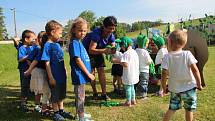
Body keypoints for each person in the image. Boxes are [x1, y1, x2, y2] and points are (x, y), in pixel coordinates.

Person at [161, 29, 203, 121]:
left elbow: (164, 73)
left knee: (172, 108)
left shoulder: (166, 57)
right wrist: (199, 84)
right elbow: (195, 70)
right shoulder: (187, 54)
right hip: (189, 88)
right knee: (189, 110)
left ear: (170, 42)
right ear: (184, 44)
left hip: (175, 89)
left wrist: (164, 88)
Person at [41, 20, 73, 121]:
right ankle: (56, 113)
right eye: (59, 33)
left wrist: (65, 70)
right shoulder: (47, 45)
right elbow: (47, 62)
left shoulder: (58, 45)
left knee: (61, 94)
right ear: (52, 32)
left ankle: (61, 110)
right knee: (55, 95)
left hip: (61, 75)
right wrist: (50, 77)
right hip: (54, 76)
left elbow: (61, 60)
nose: (61, 35)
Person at [82, 16, 117, 100]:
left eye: (113, 28)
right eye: (109, 29)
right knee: (92, 73)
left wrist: (112, 49)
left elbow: (113, 45)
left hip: (99, 51)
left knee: (101, 71)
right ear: (104, 26)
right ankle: (95, 93)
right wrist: (105, 50)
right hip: (88, 52)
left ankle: (104, 94)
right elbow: (91, 50)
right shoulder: (96, 33)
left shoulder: (111, 34)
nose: (111, 31)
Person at [68, 17, 95, 121]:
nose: (83, 33)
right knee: (80, 97)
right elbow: (78, 60)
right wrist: (88, 74)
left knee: (81, 96)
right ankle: (81, 117)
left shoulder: (79, 42)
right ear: (74, 30)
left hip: (82, 75)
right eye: (80, 30)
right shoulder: (74, 43)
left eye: (84, 31)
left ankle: (80, 113)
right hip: (79, 75)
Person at [24, 31, 51, 116]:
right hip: (38, 71)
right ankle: (37, 105)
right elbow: (30, 59)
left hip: (44, 71)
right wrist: (31, 68)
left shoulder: (46, 48)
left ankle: (44, 105)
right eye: (40, 38)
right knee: (38, 90)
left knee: (45, 89)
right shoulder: (38, 48)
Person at [113, 36, 139, 107]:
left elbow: (125, 64)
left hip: (129, 74)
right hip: (134, 74)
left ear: (124, 45)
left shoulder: (126, 53)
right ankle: (133, 100)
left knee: (127, 88)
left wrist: (117, 61)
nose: (121, 47)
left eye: (121, 45)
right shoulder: (134, 52)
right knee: (132, 87)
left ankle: (128, 102)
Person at [18, 30, 36, 112]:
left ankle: (37, 103)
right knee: (24, 86)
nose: (34, 40)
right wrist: (28, 56)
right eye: (32, 39)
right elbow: (20, 59)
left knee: (33, 86)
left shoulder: (33, 47)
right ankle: (23, 104)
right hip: (24, 71)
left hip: (32, 70)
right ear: (26, 39)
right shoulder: (22, 48)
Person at [135, 34, 152, 99]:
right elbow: (149, 61)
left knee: (137, 82)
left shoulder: (135, 50)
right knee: (144, 82)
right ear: (144, 43)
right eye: (147, 43)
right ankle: (143, 95)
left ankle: (137, 93)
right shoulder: (145, 52)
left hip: (137, 70)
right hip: (144, 70)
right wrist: (150, 62)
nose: (147, 45)